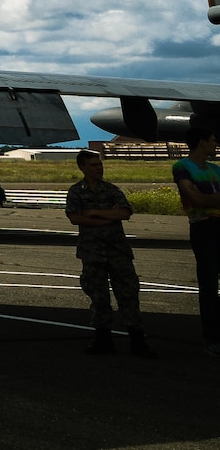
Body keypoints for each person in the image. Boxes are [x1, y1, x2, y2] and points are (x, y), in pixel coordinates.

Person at [66, 148, 151, 356]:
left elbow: (125, 213)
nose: (99, 168)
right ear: (82, 167)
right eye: (94, 165)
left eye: (100, 164)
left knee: (128, 294)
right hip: (92, 251)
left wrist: (95, 213)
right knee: (98, 296)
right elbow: (76, 218)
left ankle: (137, 341)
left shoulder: (112, 189)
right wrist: (110, 216)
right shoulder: (76, 191)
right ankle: (103, 340)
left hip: (117, 250)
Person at [173, 127, 220, 356]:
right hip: (204, 229)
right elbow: (195, 199)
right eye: (213, 140)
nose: (216, 144)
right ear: (202, 142)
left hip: (215, 225)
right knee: (209, 284)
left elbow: (202, 198)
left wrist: (207, 200)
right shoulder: (182, 167)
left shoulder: (214, 169)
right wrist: (208, 201)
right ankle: (211, 338)